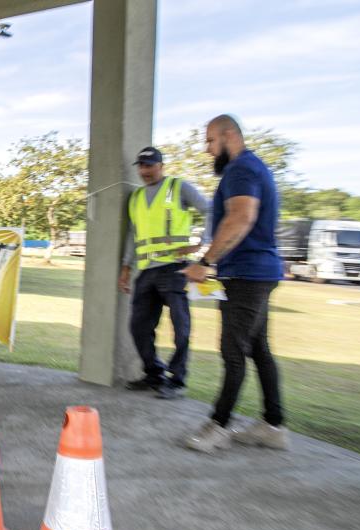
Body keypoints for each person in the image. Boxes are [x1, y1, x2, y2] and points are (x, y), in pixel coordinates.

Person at [182, 115, 288, 453]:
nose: (207, 149)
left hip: (247, 275)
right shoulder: (254, 167)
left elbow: (241, 218)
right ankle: (273, 425)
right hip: (257, 272)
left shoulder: (241, 169)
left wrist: (204, 262)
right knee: (258, 349)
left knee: (233, 351)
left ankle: (219, 425)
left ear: (230, 136)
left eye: (211, 141)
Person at [119, 147, 210, 400]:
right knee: (138, 326)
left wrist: (202, 244)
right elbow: (133, 235)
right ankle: (154, 374)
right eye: (141, 166)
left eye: (149, 165)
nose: (144, 171)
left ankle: (177, 380)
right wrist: (126, 267)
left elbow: (211, 210)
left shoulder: (179, 188)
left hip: (175, 269)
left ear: (161, 165)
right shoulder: (135, 198)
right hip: (146, 272)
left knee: (181, 329)